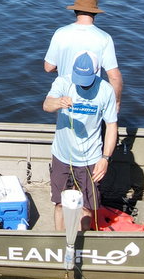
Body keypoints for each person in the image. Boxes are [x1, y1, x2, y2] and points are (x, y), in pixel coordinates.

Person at [43, 52, 118, 231]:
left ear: (96, 72)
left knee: (86, 207)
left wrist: (105, 158)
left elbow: (112, 126)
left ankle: (82, 242)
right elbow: (46, 105)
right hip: (62, 156)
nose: (82, 84)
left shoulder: (106, 90)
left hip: (90, 158)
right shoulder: (63, 82)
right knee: (60, 203)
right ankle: (60, 241)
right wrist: (58, 102)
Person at [43, 0, 123, 110]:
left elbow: (48, 67)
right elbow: (114, 76)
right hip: (93, 101)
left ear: (75, 11)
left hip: (65, 99)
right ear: (95, 13)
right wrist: (115, 103)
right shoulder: (104, 38)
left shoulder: (60, 33)